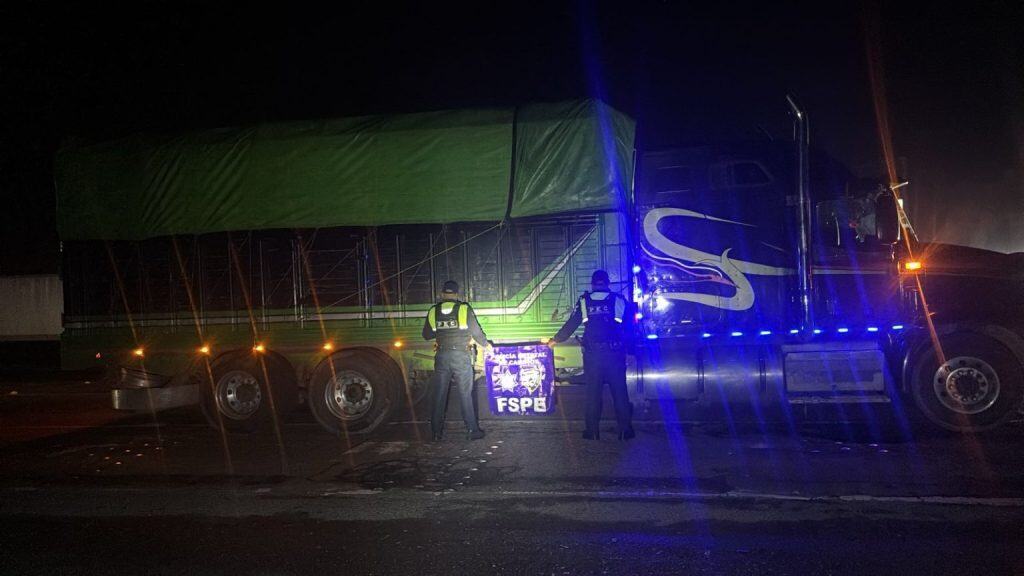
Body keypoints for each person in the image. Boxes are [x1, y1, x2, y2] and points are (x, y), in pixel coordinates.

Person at [550, 269, 635, 440]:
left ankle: (592, 432)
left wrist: (555, 340)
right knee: (620, 393)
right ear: (607, 283)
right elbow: (629, 328)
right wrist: (631, 350)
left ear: (593, 284)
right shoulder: (618, 300)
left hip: (593, 356)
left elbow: (571, 324)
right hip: (615, 354)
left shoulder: (584, 301)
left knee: (592, 394)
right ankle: (625, 431)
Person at [422, 280, 490, 441]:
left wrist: (441, 331)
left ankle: (436, 432)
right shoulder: (464, 309)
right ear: (457, 294)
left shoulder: (433, 311)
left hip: (442, 356)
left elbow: (426, 334)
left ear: (442, 294)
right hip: (460, 355)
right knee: (465, 394)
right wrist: (486, 345)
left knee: (439, 394)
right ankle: (472, 431)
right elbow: (476, 332)